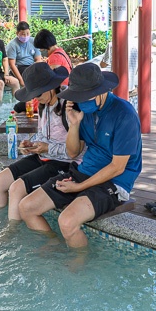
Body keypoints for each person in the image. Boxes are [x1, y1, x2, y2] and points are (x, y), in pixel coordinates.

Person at [18, 63, 142, 248]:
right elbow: (73, 152)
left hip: (114, 182)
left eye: (85, 96)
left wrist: (79, 187)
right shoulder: (83, 111)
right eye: (78, 96)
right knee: (26, 207)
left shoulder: (124, 114)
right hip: (82, 171)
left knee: (67, 221)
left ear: (101, 91)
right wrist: (74, 124)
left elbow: (118, 167)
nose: (81, 101)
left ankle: (79, 266)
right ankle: (54, 250)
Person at [0, 62, 79, 220]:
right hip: (44, 157)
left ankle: (11, 234)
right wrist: (31, 144)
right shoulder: (44, 104)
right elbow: (43, 135)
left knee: (16, 188)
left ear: (50, 87)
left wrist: (47, 148)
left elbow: (77, 151)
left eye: (37, 94)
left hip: (63, 163)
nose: (34, 98)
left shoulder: (70, 107)